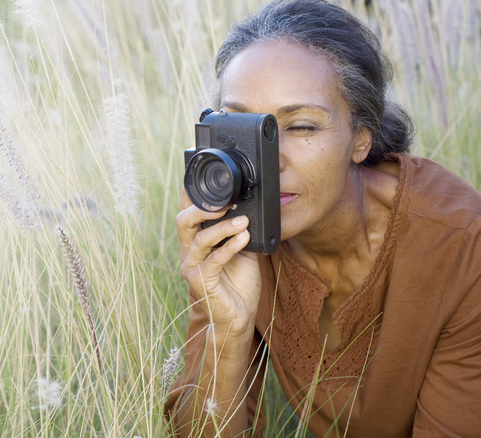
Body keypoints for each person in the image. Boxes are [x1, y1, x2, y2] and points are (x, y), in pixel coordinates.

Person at [164, 0, 481, 436]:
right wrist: (227, 333)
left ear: (360, 140)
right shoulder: (232, 230)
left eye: (301, 127)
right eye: (244, 128)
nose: (266, 163)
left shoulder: (462, 247)